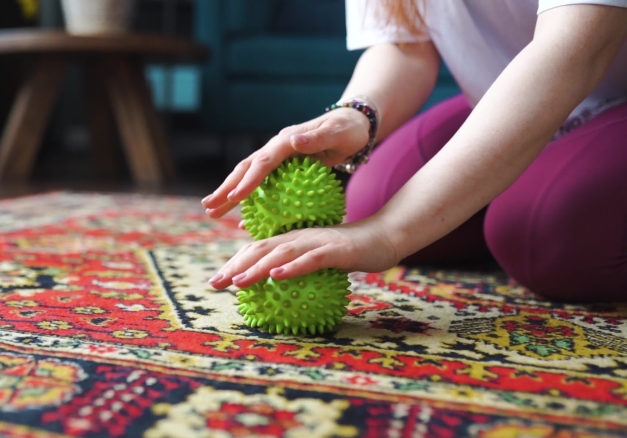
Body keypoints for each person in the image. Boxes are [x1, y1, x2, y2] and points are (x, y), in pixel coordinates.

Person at [203, 0, 627, 303]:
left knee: (539, 236)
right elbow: (403, 47)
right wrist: (356, 115)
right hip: (508, 93)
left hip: (599, 90)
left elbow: (574, 51)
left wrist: (389, 233)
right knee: (374, 197)